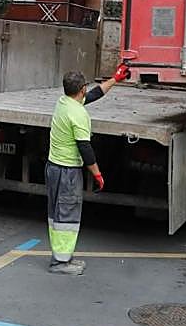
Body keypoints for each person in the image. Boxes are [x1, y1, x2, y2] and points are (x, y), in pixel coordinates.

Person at [45, 63, 130, 275]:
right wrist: (97, 174)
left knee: (57, 215)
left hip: (53, 167)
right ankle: (60, 263)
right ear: (82, 88)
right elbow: (86, 149)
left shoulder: (63, 103)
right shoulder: (79, 115)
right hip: (68, 172)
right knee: (67, 216)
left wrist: (115, 79)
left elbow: (93, 95)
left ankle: (62, 256)